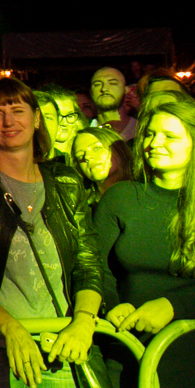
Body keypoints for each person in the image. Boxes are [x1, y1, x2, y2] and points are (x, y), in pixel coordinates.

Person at [0, 78, 105, 388]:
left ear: (37, 119)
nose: (9, 121)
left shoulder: (65, 181)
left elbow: (88, 262)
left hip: (63, 343)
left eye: (17, 110)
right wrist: (11, 328)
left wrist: (83, 322)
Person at [95, 101, 195, 387]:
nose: (154, 143)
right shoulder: (122, 198)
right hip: (128, 348)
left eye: (170, 136)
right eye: (149, 134)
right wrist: (111, 305)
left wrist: (176, 305)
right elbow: (97, 268)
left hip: (187, 353)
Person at [70, 127, 132, 210]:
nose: (87, 157)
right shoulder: (83, 208)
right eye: (80, 156)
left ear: (118, 148)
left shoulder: (144, 192)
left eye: (96, 148)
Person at [91, 67, 137, 140]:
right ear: (91, 91)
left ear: (126, 89)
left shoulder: (140, 130)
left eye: (112, 83)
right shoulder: (82, 130)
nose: (104, 89)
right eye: (97, 84)